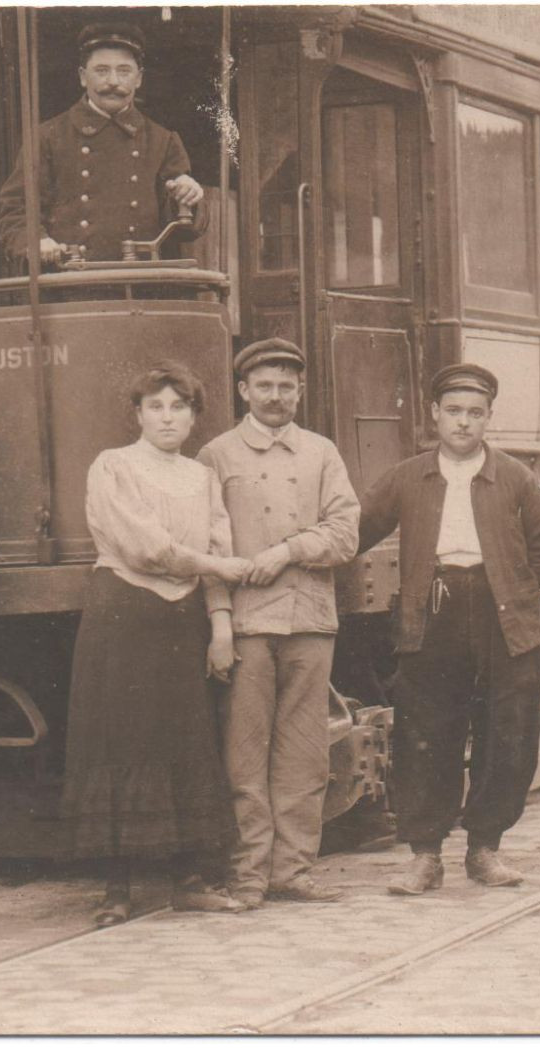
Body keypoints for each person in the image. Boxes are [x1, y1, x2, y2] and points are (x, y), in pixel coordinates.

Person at [356, 364, 540, 895]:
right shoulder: (407, 477)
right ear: (434, 414)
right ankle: (425, 854)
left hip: (503, 614)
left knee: (507, 732)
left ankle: (484, 848)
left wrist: (511, 589)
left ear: (489, 418)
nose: (464, 423)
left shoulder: (515, 477)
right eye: (454, 411)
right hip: (433, 607)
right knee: (426, 730)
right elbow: (358, 530)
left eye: (475, 413)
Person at [63, 362, 251, 927]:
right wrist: (216, 564)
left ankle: (189, 880)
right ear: (137, 414)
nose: (167, 418)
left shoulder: (202, 477)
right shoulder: (112, 467)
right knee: (120, 741)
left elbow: (220, 544)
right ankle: (117, 889)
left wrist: (220, 626)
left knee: (187, 739)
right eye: (155, 407)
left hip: (183, 620)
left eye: (179, 407)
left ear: (194, 416)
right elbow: (143, 546)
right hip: (124, 611)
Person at [197, 339, 359, 909]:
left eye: (286, 386)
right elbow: (206, 547)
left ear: (300, 391)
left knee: (304, 751)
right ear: (243, 391)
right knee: (244, 752)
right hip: (245, 625)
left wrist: (287, 551)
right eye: (264, 386)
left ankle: (292, 870)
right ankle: (248, 872)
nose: (275, 397)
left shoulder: (321, 453)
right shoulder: (216, 456)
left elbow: (345, 531)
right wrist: (219, 621)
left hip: (310, 619)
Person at [0, 22, 204, 267]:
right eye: (102, 71)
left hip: (142, 284)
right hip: (71, 288)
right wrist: (37, 241)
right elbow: (15, 210)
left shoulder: (163, 141)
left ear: (139, 78)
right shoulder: (47, 137)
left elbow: (184, 229)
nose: (113, 81)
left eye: (124, 71)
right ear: (83, 77)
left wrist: (189, 197)